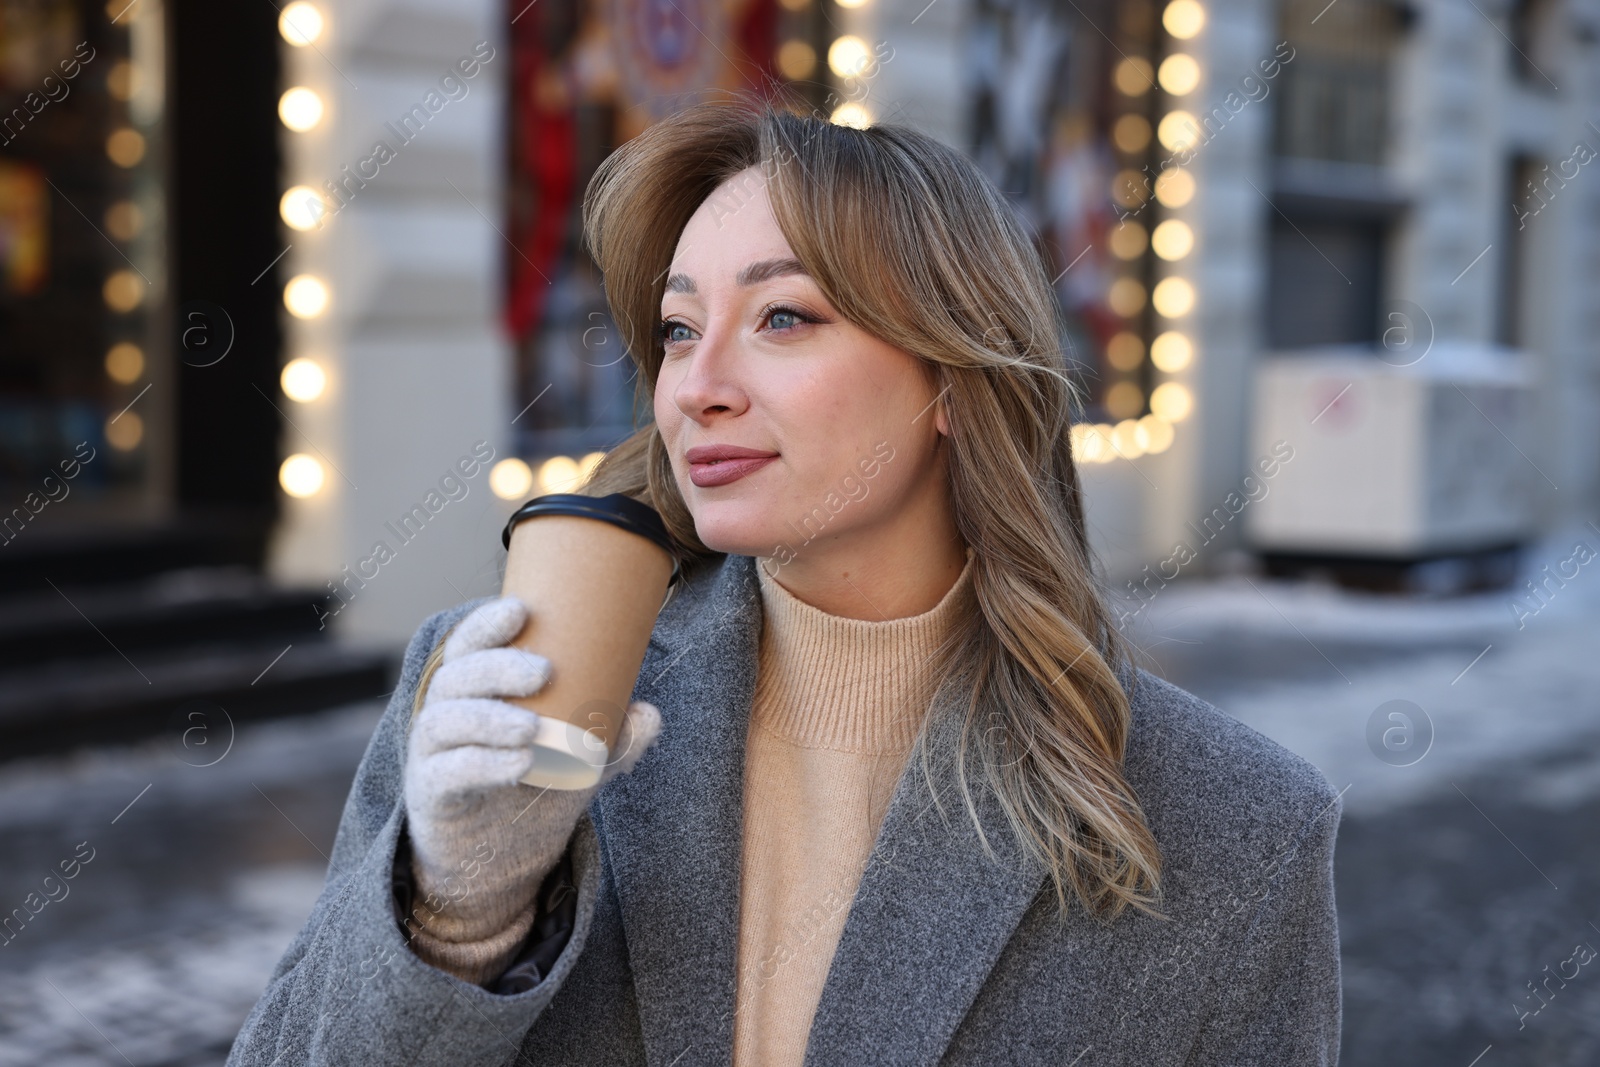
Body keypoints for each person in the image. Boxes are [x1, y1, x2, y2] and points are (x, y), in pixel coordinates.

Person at [227, 98, 1342, 1066]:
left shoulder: (1235, 831)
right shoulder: (508, 696)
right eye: (675, 329)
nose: (695, 387)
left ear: (952, 377)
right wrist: (457, 912)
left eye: (783, 317)